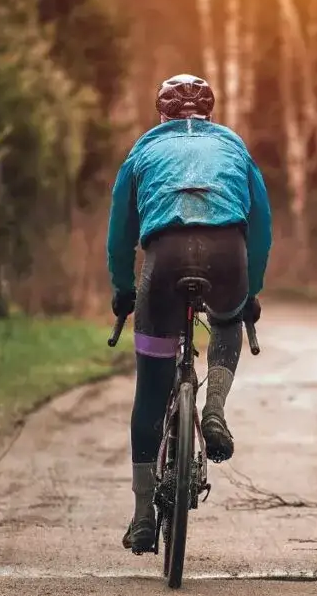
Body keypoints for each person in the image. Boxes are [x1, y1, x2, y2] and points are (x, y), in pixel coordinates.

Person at [107, 73, 272, 552]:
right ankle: (214, 408)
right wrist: (250, 292)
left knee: (151, 389)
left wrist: (123, 290)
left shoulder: (142, 151)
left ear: (161, 114)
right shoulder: (235, 148)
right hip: (227, 255)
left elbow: (120, 233)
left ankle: (142, 516)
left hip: (164, 259)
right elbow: (260, 229)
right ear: (211, 114)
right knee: (225, 317)